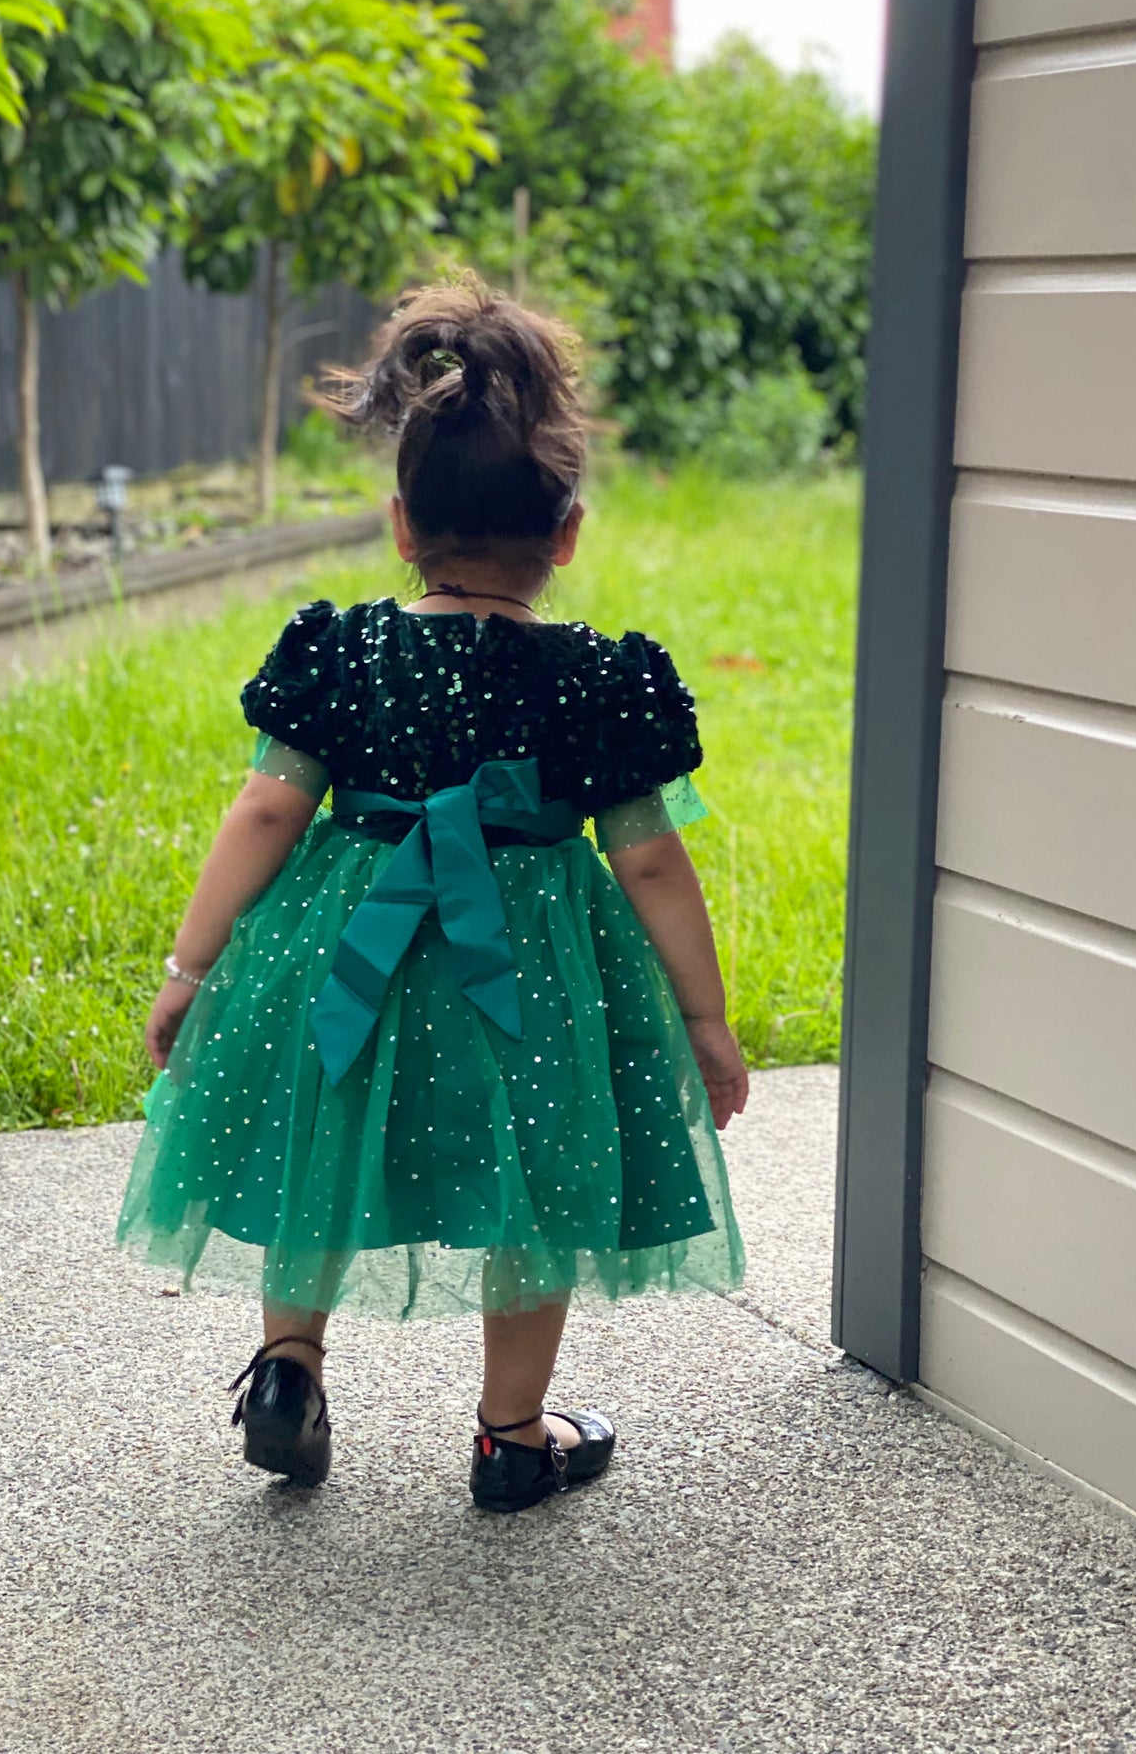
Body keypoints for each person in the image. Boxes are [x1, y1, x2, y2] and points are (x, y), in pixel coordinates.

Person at [116, 282, 746, 1514]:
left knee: (324, 1139)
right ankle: (512, 1438)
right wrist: (705, 1018)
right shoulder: (598, 680)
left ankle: (289, 1370)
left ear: (401, 524)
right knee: (536, 1172)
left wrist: (191, 969)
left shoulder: (340, 651)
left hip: (346, 944)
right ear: (564, 534)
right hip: (525, 975)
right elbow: (651, 859)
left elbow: (264, 811)